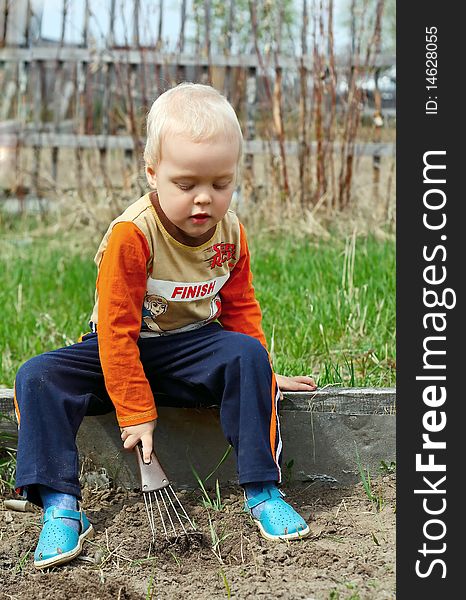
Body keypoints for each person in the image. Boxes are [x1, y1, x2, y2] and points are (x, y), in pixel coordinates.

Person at [13, 83, 317, 569]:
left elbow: (239, 309)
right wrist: (134, 411)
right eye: (186, 184)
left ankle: (262, 489)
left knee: (247, 355)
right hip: (120, 349)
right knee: (37, 377)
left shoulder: (232, 233)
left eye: (220, 184)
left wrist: (264, 375)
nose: (204, 200)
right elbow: (115, 332)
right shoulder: (132, 235)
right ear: (153, 173)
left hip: (192, 348)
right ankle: (61, 506)